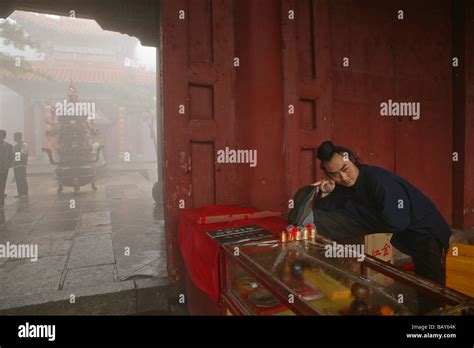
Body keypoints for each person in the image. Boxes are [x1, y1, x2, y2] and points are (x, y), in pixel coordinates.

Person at [301, 140, 451, 314]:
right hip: (407, 233)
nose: (343, 177)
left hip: (425, 230)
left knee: (431, 287)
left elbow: (398, 221)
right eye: (334, 174)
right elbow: (326, 212)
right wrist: (327, 192)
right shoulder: (343, 184)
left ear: (353, 161)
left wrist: (357, 218)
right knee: (421, 283)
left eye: (345, 168)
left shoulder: (379, 181)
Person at [12, 132, 29, 198]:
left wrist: (15, 159)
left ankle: (24, 193)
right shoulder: (15, 146)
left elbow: (23, 153)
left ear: (19, 136)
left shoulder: (24, 144)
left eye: (15, 136)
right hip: (16, 165)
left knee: (22, 178)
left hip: (21, 165)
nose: (14, 138)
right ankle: (20, 193)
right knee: (18, 179)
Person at [0, 130, 13, 208]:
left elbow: (11, 156)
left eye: (1, 135)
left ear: (4, 136)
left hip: (4, 168)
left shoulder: (9, 146)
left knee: (2, 184)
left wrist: (10, 164)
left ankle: (1, 200)